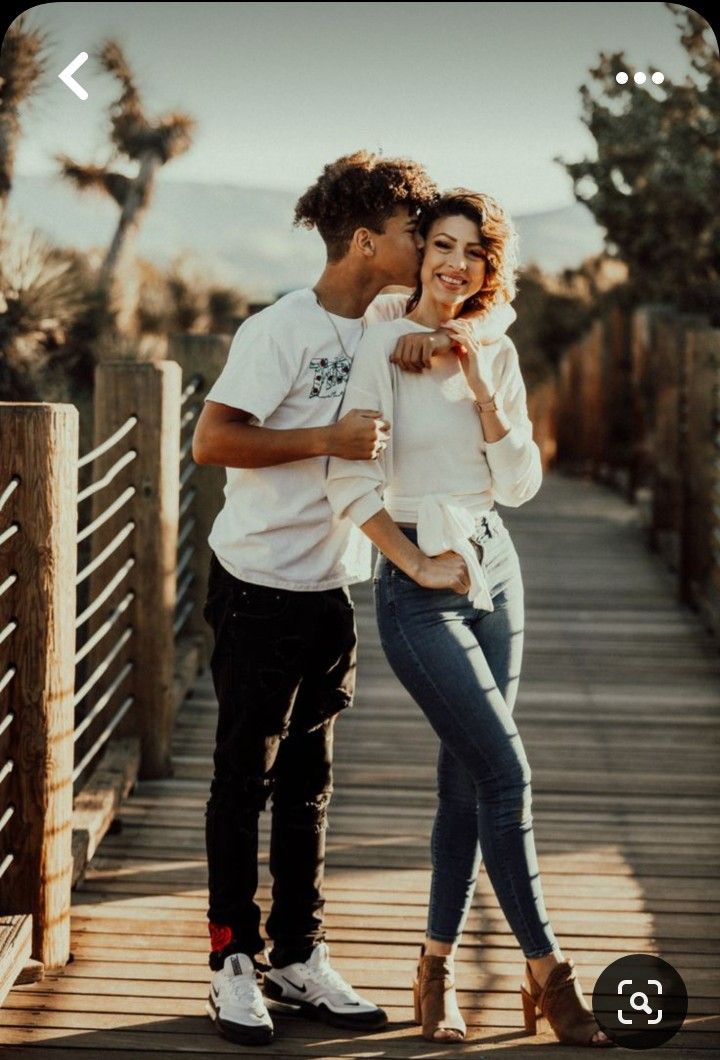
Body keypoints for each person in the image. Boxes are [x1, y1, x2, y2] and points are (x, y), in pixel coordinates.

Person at [191, 153, 514, 1047]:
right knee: (241, 780)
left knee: (309, 782)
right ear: (366, 241)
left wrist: (433, 338)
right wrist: (326, 437)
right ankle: (231, 961)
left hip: (334, 585)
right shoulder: (279, 330)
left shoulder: (382, 316)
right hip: (257, 585)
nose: (429, 247)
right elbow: (212, 442)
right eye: (417, 233)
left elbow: (492, 306)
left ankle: (298, 955)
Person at [325, 189, 613, 1048]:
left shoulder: (496, 348)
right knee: (509, 775)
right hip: (418, 580)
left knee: (467, 781)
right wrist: (413, 564)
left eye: (472, 251)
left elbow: (520, 485)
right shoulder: (379, 344)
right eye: (441, 245)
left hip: (495, 564)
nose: (455, 263)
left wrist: (485, 386)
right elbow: (350, 483)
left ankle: (434, 968)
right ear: (419, 256)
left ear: (490, 265)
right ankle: (548, 972)